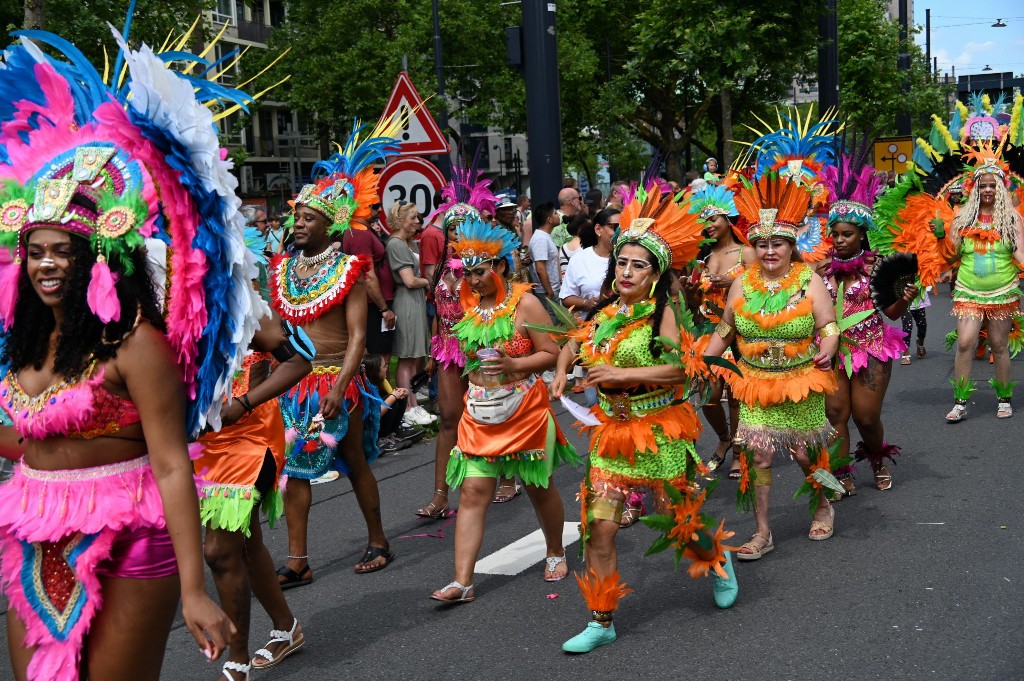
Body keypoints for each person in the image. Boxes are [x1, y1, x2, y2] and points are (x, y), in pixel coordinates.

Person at [0, 28, 268, 678]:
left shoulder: (134, 342)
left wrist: (196, 586)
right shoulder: (23, 346)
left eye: (63, 248)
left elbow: (174, 466)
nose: (47, 263)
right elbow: (18, 438)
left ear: (96, 254)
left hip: (129, 532)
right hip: (33, 530)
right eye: (36, 250)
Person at [550, 186, 738, 654]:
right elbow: (575, 343)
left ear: (655, 274)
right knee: (599, 527)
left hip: (660, 432)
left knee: (681, 522)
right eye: (622, 262)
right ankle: (602, 619)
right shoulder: (606, 312)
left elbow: (681, 367)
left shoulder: (666, 312)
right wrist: (562, 369)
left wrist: (621, 372)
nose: (627, 271)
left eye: (638, 265)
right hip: (613, 433)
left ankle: (714, 561)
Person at [269, 117, 401, 583]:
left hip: (336, 384)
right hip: (295, 384)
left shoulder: (349, 268)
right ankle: (298, 560)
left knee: (355, 461)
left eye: (308, 218)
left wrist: (341, 385)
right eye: (297, 217)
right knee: (297, 468)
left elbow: (359, 337)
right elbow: (279, 331)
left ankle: (378, 540)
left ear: (331, 224)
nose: (298, 224)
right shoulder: (284, 269)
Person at [430, 218, 580, 604]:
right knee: (474, 489)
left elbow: (550, 354)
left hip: (525, 409)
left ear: (498, 266)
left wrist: (513, 366)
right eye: (467, 272)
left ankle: (555, 550)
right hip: (480, 411)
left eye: (479, 272)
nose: (473, 280)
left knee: (537, 486)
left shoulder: (525, 302)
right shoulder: (467, 304)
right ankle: (462, 581)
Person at [705, 174, 841, 561]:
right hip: (755, 382)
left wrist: (828, 350)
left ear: (791, 245)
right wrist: (702, 365)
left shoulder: (809, 280)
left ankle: (822, 504)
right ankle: (763, 531)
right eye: (761, 244)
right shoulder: (740, 285)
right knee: (759, 456)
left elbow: (828, 328)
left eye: (777, 243)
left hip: (800, 380)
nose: (769, 252)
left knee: (804, 454)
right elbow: (724, 332)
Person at [196, 310, 313, 679]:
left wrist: (244, 403)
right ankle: (286, 628)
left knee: (218, 549)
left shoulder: (245, 309)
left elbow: (299, 361)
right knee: (246, 544)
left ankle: (238, 658)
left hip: (250, 441)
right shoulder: (165, 311)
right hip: (202, 447)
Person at [820, 153, 915, 496]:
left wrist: (905, 297)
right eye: (835, 234)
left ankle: (877, 457)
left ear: (862, 235)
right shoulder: (820, 271)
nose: (839, 240)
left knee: (865, 416)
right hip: (830, 352)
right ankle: (842, 472)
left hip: (871, 346)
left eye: (847, 234)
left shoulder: (877, 267)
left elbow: (890, 313)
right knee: (835, 415)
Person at [417, 168, 497, 519]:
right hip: (448, 351)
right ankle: (440, 494)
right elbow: (438, 308)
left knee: (491, 416)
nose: (456, 234)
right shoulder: (443, 271)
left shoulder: (485, 269)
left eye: (464, 228)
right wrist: (434, 348)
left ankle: (507, 478)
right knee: (449, 418)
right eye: (451, 228)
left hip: (481, 351)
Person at [937, 148, 1024, 421]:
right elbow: (951, 257)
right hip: (968, 290)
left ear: (1000, 188)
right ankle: (960, 401)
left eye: (992, 185)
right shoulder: (962, 218)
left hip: (1002, 291)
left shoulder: (1012, 220)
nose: (988, 189)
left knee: (998, 345)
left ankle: (1004, 398)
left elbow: (1020, 253)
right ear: (975, 189)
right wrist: (940, 237)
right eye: (983, 185)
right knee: (965, 343)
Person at [686, 184, 754, 480]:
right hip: (708, 331)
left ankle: (740, 451)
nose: (709, 226)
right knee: (709, 396)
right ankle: (725, 438)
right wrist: (690, 292)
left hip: (740, 331)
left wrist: (733, 284)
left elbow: (763, 291)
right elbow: (694, 304)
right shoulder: (701, 259)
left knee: (737, 394)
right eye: (704, 222)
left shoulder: (747, 253)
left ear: (728, 219)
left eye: (713, 219)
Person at [385, 201, 435, 424]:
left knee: (415, 355)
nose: (418, 221)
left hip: (413, 301)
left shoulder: (407, 243)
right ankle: (407, 408)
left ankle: (412, 402)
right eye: (413, 217)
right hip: (406, 302)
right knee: (406, 358)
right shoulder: (396, 244)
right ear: (400, 220)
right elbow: (409, 280)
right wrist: (428, 282)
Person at [342, 196, 398, 376]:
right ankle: (382, 401)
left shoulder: (361, 231)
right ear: (361, 206)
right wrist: (384, 309)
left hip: (374, 303)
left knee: (380, 357)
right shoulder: (360, 234)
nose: (379, 210)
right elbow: (368, 276)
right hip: (373, 305)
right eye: (374, 206)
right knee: (379, 361)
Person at [528, 201, 562, 317]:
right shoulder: (540, 239)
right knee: (553, 324)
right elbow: (540, 268)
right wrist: (549, 291)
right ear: (549, 219)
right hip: (546, 291)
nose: (559, 215)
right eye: (555, 213)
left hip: (552, 288)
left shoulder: (545, 236)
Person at [899, 289, 930, 364]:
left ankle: (920, 343)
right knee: (907, 326)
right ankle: (906, 352)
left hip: (918, 299)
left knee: (922, 324)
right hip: (904, 300)